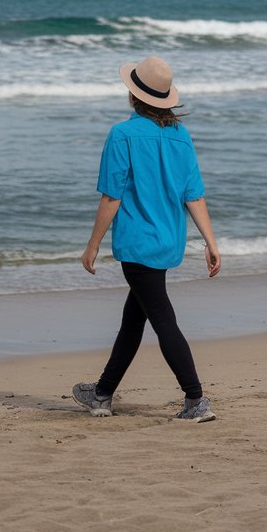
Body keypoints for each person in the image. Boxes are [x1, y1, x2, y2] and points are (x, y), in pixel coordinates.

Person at [73, 55, 221, 423]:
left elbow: (112, 196)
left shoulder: (122, 134)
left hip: (138, 244)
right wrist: (211, 242)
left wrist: (92, 246)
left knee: (162, 320)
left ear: (133, 95)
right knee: (133, 319)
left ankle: (196, 399)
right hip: (168, 241)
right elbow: (194, 196)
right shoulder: (179, 135)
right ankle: (103, 393)